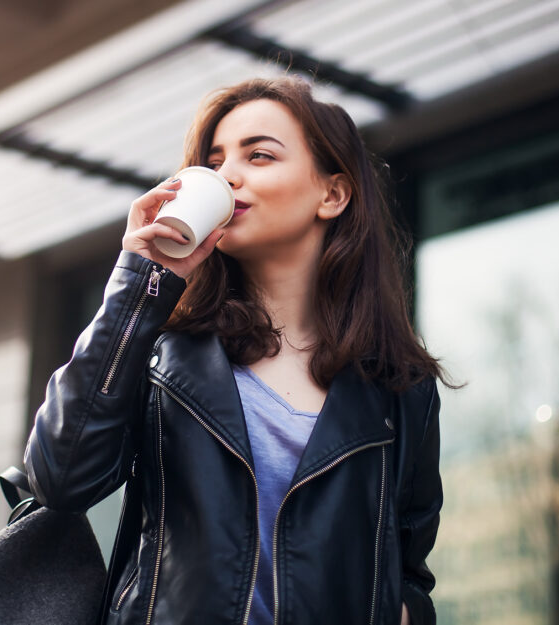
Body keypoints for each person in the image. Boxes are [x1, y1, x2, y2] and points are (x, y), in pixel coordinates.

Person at [24, 76, 459, 625]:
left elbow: (410, 575)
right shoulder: (165, 357)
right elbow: (59, 480)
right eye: (214, 160)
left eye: (259, 155)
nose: (227, 175)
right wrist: (140, 283)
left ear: (333, 194)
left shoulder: (401, 390)